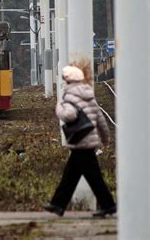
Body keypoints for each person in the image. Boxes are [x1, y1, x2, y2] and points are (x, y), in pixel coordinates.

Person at [43, 65, 116, 217]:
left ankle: (107, 205)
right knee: (74, 175)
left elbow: (69, 115)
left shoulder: (70, 96)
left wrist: (58, 107)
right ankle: (58, 204)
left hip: (80, 141)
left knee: (83, 176)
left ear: (68, 80)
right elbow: (100, 118)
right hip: (88, 141)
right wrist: (105, 138)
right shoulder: (89, 96)